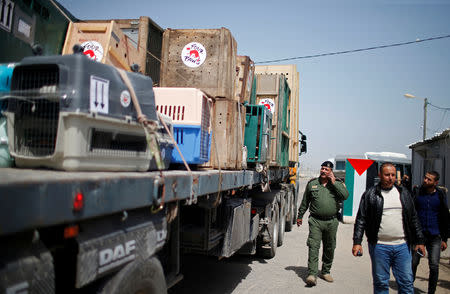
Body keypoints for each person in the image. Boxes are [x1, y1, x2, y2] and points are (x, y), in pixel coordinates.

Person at [352, 162, 425, 294]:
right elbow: (361, 219)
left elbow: (414, 218)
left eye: (393, 175)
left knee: (407, 283)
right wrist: (357, 242)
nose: (391, 178)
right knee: (381, 283)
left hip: (402, 246)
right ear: (380, 175)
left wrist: (420, 241)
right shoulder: (370, 194)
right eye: (387, 175)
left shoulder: (403, 193)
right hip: (379, 246)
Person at [297, 161, 349, 286]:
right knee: (313, 246)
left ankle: (325, 271)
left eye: (326, 169)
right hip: (315, 221)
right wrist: (300, 216)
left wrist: (334, 182)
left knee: (330, 247)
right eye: (322, 169)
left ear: (331, 171)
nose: (323, 171)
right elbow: (305, 201)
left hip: (332, 221)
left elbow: (345, 196)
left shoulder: (337, 184)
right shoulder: (313, 184)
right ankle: (312, 274)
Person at [411, 171, 449, 294]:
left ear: (435, 182)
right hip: (419, 235)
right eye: (425, 178)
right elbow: (411, 213)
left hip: (435, 236)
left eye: (429, 179)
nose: (425, 181)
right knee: (414, 262)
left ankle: (431, 291)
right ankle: (408, 287)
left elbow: (445, 217)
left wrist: (444, 238)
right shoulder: (417, 193)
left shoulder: (440, 195)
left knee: (434, 265)